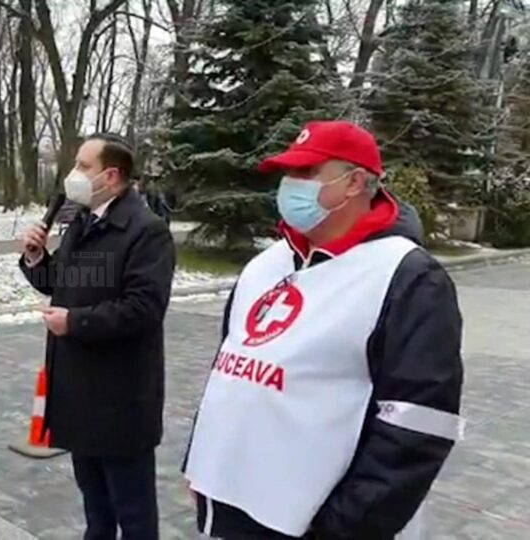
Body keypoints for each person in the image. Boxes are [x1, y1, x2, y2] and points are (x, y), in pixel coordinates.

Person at [184, 121, 464, 539]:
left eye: (305, 174)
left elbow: (418, 427)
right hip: (229, 505)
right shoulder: (266, 264)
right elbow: (230, 369)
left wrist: (343, 527)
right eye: (287, 173)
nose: (288, 185)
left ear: (354, 182)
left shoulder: (408, 278)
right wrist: (200, 461)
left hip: (314, 524)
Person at [19, 133, 176, 540]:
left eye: (83, 166)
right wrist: (37, 257)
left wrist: (75, 323)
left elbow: (143, 308)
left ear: (111, 175)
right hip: (78, 395)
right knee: (96, 509)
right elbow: (63, 283)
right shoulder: (85, 222)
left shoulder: (146, 231)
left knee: (134, 515)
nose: (74, 174)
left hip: (120, 401)